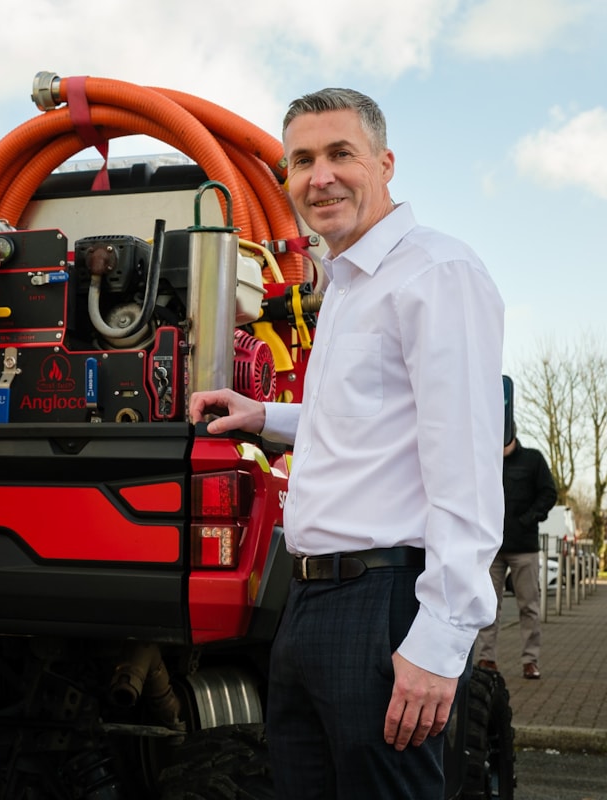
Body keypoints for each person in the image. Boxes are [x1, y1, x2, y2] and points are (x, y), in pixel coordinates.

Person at [188, 88, 504, 798]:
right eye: (301, 161)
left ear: (385, 163)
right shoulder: (349, 282)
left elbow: (465, 461)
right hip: (308, 605)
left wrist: (439, 642)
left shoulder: (435, 273)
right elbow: (368, 419)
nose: (319, 176)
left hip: (384, 602)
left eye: (340, 154)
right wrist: (264, 416)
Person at [475, 423, 557, 679]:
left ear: (512, 434)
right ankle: (487, 659)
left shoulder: (533, 460)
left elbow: (548, 493)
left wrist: (529, 518)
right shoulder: (486, 461)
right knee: (489, 606)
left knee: (529, 606)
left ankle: (530, 661)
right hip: (492, 548)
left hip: (524, 548)